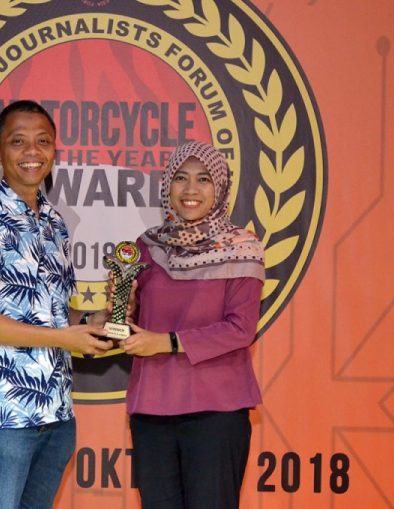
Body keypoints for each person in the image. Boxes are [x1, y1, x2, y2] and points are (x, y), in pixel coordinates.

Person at [0, 100, 113, 509]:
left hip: (56, 414)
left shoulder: (56, 224)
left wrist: (98, 319)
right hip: (4, 415)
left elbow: (56, 311)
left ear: (54, 149)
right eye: (18, 141)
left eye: (42, 141)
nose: (32, 152)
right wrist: (64, 337)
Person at [120, 141, 266, 509]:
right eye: (180, 178)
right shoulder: (147, 246)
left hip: (216, 410)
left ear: (220, 187)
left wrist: (166, 342)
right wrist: (123, 309)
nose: (190, 189)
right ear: (167, 184)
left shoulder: (241, 247)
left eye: (203, 179)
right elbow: (131, 321)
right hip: (152, 410)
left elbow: (240, 329)